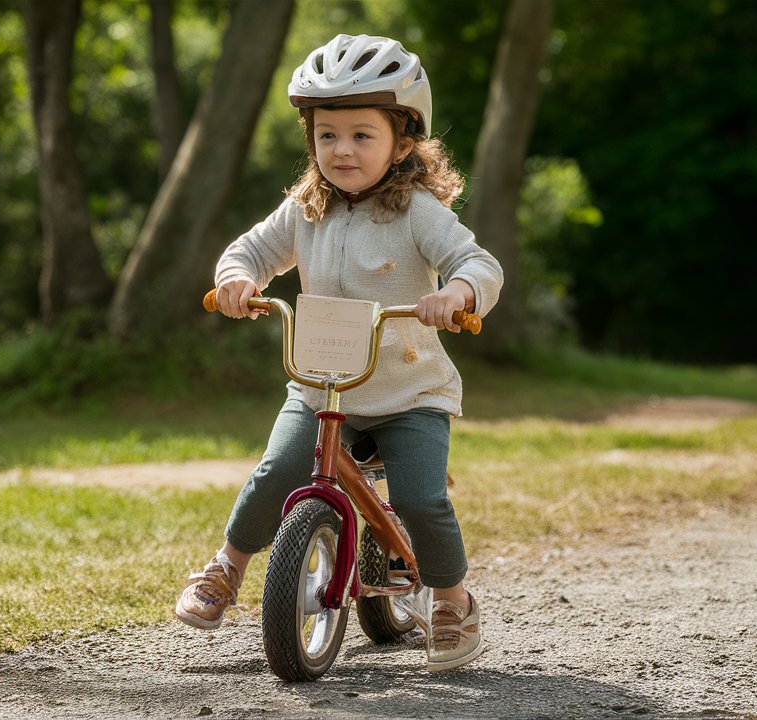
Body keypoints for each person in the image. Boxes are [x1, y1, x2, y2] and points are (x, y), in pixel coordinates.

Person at [174, 33, 503, 673]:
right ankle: (226, 569)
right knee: (275, 472)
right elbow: (251, 251)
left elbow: (475, 261)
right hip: (322, 384)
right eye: (327, 136)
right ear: (311, 140)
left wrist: (458, 291)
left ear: (402, 142)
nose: (341, 150)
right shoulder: (306, 209)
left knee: (420, 497)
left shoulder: (417, 212)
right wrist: (237, 281)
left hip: (410, 393)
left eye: (361, 135)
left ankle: (453, 601)